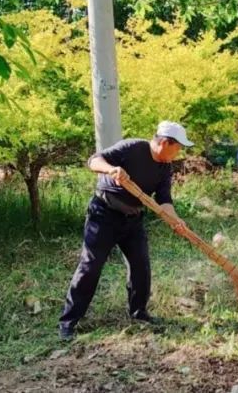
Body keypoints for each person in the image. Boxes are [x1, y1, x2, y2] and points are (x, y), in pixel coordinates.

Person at [58, 121, 193, 340]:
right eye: (178, 148)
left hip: (133, 219)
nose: (179, 153)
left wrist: (175, 221)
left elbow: (164, 201)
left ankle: (139, 312)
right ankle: (68, 321)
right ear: (165, 143)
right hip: (104, 214)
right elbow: (93, 160)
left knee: (141, 265)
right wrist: (112, 169)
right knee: (90, 266)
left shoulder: (164, 167)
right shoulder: (133, 148)